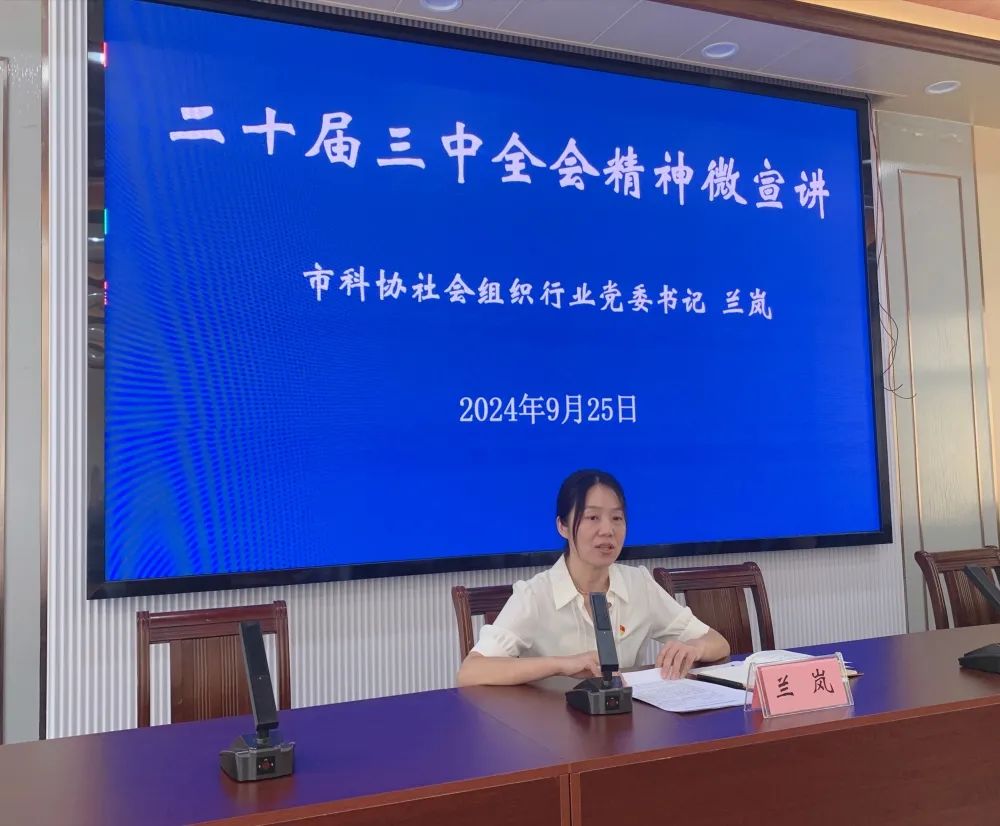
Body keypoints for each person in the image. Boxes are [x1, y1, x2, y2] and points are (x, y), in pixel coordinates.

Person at [457, 469, 730, 687]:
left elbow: (718, 643)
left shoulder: (639, 584)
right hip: (552, 730)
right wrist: (561, 665)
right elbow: (471, 672)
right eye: (592, 517)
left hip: (625, 726)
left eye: (617, 518)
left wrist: (693, 649)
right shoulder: (535, 595)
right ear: (563, 526)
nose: (607, 530)